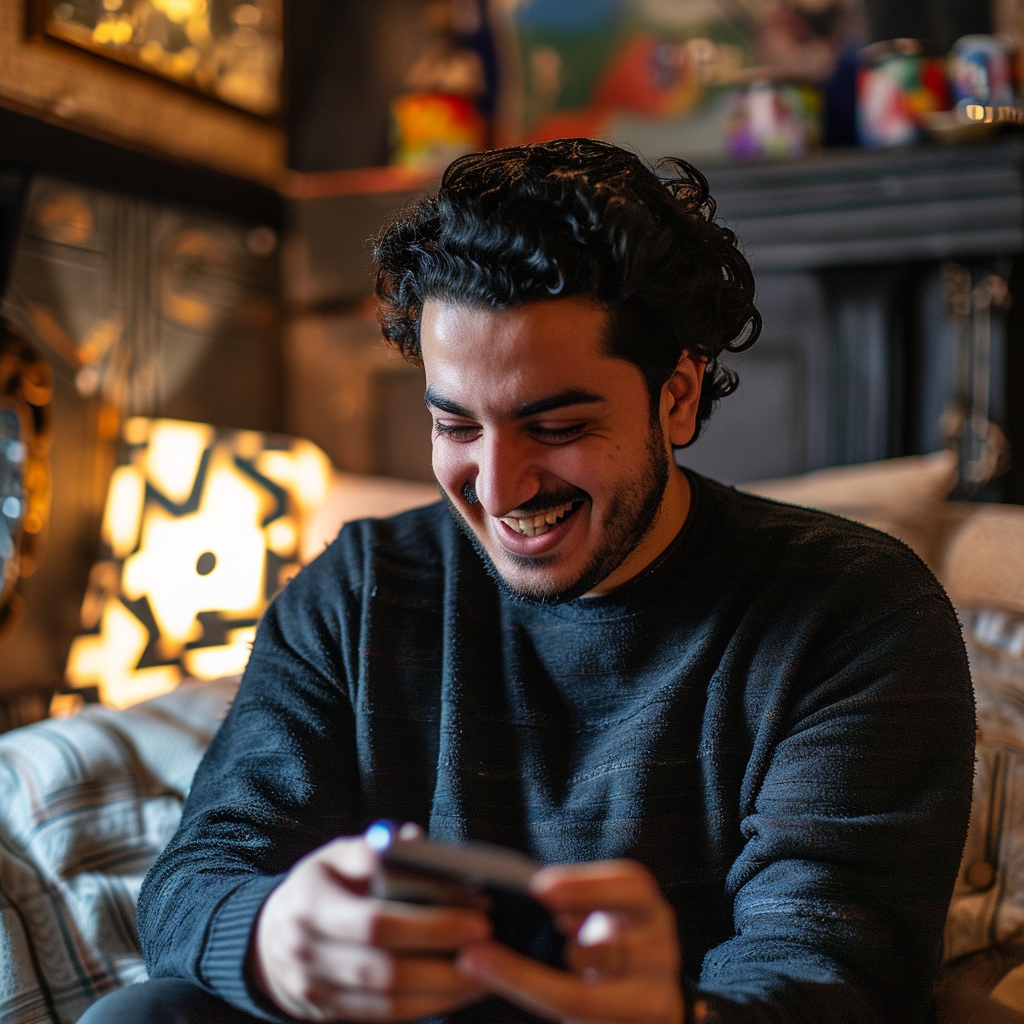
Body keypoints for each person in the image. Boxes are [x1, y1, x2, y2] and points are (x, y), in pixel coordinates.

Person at [81, 139, 974, 1024]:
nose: (499, 490)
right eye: (457, 426)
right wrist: (272, 936)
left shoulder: (856, 611)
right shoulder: (358, 590)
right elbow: (199, 875)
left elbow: (832, 967)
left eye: (555, 426)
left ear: (678, 396)